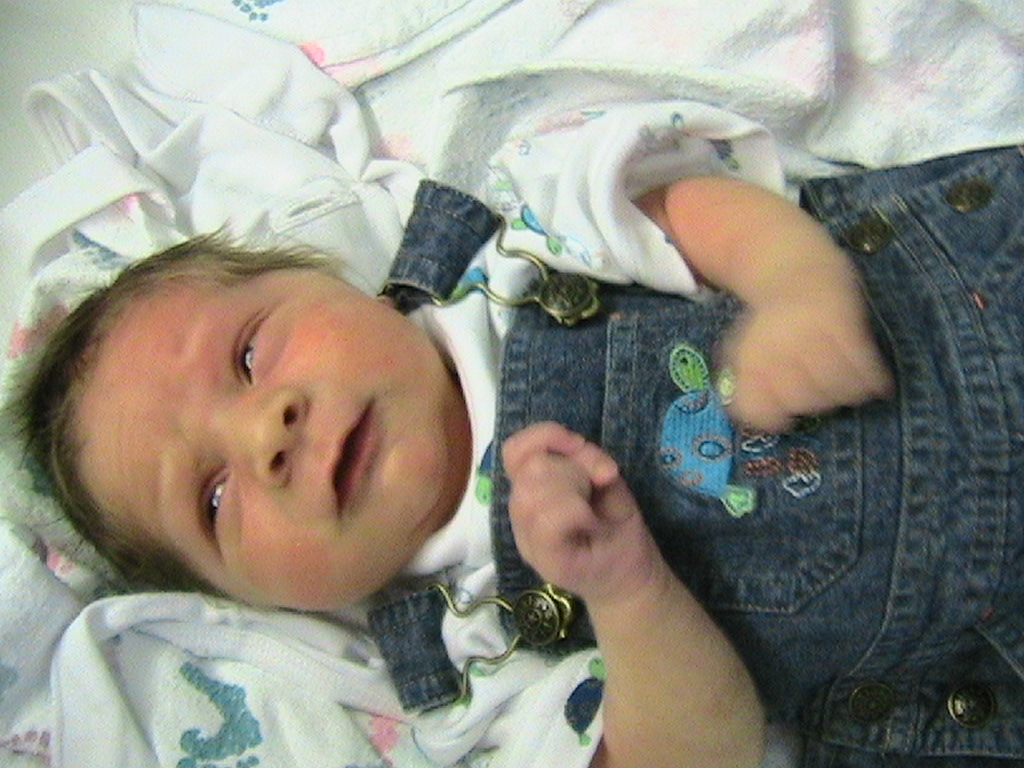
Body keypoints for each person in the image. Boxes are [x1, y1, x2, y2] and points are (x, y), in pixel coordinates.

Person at [12, 138, 1024, 768]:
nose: (264, 435)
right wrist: (628, 594)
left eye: (247, 354)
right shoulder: (470, 662)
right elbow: (693, 754)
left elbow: (683, 200)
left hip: (968, 302)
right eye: (212, 499)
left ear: (331, 279)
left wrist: (795, 286)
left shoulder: (516, 255)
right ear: (257, 603)